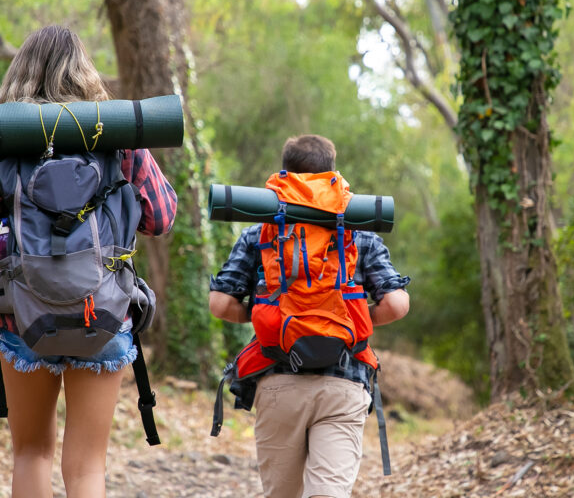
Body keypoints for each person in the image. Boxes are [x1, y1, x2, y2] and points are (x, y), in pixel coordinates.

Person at [0, 25, 177, 498]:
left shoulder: (6, 139)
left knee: (30, 453)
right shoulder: (115, 135)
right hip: (102, 310)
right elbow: (160, 218)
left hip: (19, 315)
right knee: (87, 467)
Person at [209, 134, 410, 498]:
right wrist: (352, 318)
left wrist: (265, 314)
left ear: (285, 174)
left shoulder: (261, 232)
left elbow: (220, 304)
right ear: (332, 172)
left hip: (278, 380)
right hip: (344, 381)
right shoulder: (358, 233)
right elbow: (396, 304)